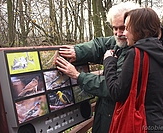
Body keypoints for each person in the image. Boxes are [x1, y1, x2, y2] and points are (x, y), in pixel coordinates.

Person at [55, 2, 140, 133]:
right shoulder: (121, 42)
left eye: (122, 28)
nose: (118, 33)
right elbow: (99, 45)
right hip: (106, 113)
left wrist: (78, 76)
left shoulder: (135, 52)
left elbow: (112, 88)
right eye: (114, 28)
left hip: (119, 118)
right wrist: (77, 52)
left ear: (133, 25)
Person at [103, 8, 163, 132]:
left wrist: (109, 62)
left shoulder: (136, 54)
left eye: (127, 28)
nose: (124, 33)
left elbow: (116, 92)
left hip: (141, 124)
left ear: (138, 30)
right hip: (161, 122)